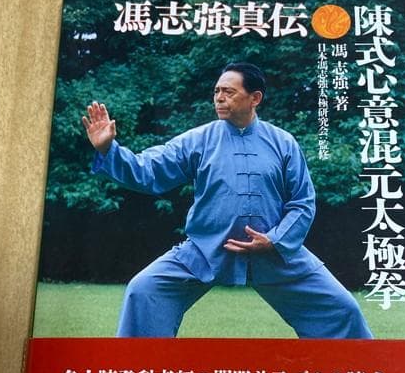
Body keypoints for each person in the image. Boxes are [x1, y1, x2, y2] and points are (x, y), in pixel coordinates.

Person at [83, 62, 373, 339]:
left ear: (255, 98)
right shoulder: (198, 140)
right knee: (144, 291)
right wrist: (109, 149)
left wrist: (274, 240)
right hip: (205, 249)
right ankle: (138, 369)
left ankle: (355, 372)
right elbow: (149, 170)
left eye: (229, 92)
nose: (219, 98)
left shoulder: (283, 143)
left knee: (342, 308)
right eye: (217, 91)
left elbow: (302, 202)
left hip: (275, 252)